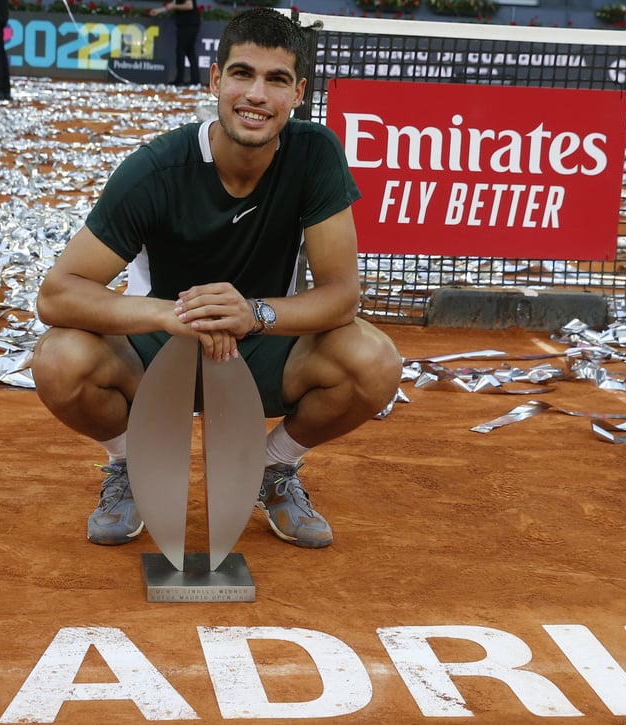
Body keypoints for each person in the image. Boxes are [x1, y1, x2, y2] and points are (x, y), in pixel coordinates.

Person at [30, 8, 402, 550]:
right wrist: (175, 313)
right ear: (215, 80)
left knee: (375, 360)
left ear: (297, 93)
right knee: (58, 359)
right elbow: (57, 293)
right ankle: (130, 464)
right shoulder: (157, 169)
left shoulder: (315, 154)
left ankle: (271, 469)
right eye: (243, 74)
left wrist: (254, 313)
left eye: (276, 80)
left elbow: (343, 294)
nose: (256, 94)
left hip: (260, 350)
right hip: (157, 351)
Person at [150, 0, 203, 86]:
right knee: (190, 52)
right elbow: (173, 4)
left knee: (181, 51)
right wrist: (159, 10)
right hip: (187, 25)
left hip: (188, 25)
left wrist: (175, 7)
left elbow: (189, 6)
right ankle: (195, 80)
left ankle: (180, 80)